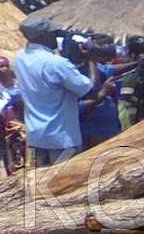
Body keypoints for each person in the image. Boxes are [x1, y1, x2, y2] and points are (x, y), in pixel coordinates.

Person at [13, 17, 95, 166]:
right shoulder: (56, 63)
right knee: (67, 179)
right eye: (53, 33)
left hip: (35, 136)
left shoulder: (19, 58)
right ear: (43, 36)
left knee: (38, 178)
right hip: (62, 138)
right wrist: (91, 58)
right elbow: (89, 90)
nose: (56, 36)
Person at [77, 34, 130, 150]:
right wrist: (103, 92)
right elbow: (92, 89)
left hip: (108, 130)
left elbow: (112, 69)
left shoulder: (99, 68)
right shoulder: (77, 73)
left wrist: (137, 63)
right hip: (92, 133)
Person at [119, 36, 144, 130]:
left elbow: (124, 105)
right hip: (141, 123)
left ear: (131, 54)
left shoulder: (132, 76)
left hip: (138, 123)